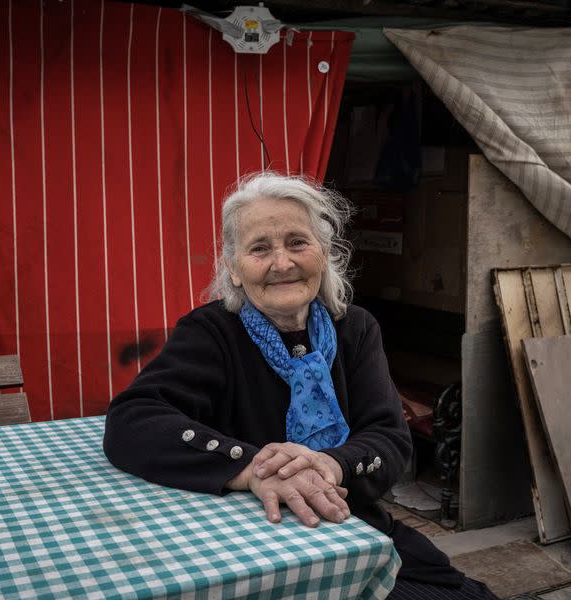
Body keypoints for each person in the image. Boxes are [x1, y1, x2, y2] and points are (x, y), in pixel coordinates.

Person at [104, 172, 497, 599]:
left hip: (349, 524)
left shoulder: (355, 329)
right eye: (260, 248)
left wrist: (328, 465)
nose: (283, 262)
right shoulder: (211, 333)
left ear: (324, 254)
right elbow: (132, 419)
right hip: (252, 544)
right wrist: (252, 469)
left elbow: (388, 437)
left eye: (297, 242)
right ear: (233, 269)